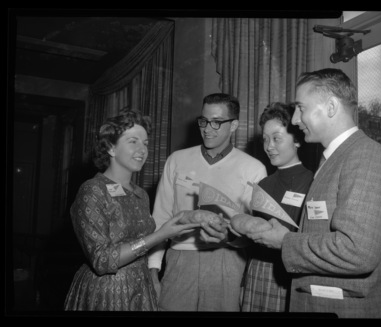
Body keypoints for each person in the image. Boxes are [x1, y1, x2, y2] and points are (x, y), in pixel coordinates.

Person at [244, 68, 381, 318]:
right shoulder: (333, 159)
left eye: (301, 108)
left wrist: (284, 241)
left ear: (331, 107)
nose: (296, 120)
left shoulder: (366, 155)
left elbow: (357, 251)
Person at [64, 110, 200, 311]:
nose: (142, 149)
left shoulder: (140, 194)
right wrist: (162, 234)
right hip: (106, 292)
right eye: (133, 141)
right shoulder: (92, 190)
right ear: (111, 147)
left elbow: (142, 247)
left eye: (145, 143)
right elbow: (102, 260)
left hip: (140, 290)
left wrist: (153, 275)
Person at [147, 93, 267, 311]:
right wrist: (153, 270)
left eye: (217, 122)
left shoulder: (253, 168)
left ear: (234, 125)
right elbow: (161, 217)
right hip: (179, 259)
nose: (207, 128)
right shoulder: (177, 160)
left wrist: (229, 237)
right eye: (203, 121)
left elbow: (254, 230)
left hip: (226, 261)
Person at [239, 102, 313, 312]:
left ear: (297, 140)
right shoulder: (263, 185)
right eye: (265, 139)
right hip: (257, 271)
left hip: (291, 273)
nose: (269, 146)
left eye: (276, 138)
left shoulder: (313, 182)